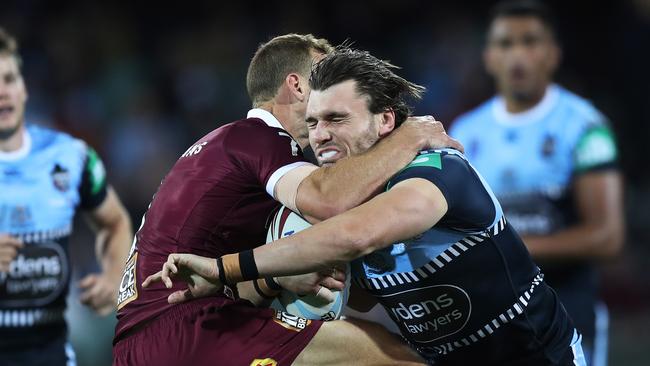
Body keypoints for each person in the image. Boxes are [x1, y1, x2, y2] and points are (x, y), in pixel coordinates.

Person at [147, 47, 586, 365]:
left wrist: (225, 268)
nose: (319, 135)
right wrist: (266, 284)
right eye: (313, 122)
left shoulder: (437, 171)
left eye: (337, 119)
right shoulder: (338, 203)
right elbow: (339, 288)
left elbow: (356, 237)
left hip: (538, 357)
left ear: (386, 121)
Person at [112, 34, 460, 366]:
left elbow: (212, 282)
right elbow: (326, 199)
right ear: (297, 86)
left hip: (142, 344)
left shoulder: (218, 150)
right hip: (189, 330)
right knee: (392, 357)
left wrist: (273, 280)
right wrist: (407, 138)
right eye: (326, 78)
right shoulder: (260, 138)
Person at [449, 2, 624, 364]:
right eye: (505, 43)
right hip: (494, 316)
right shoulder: (465, 132)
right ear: (489, 57)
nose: (517, 55)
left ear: (552, 54)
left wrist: (509, 247)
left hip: (569, 308)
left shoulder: (584, 127)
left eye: (530, 42)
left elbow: (607, 236)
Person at [0, 27, 133, 365]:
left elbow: (115, 222)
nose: (4, 92)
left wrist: (113, 276)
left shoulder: (70, 156)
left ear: (24, 87)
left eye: (10, 78)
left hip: (53, 350)